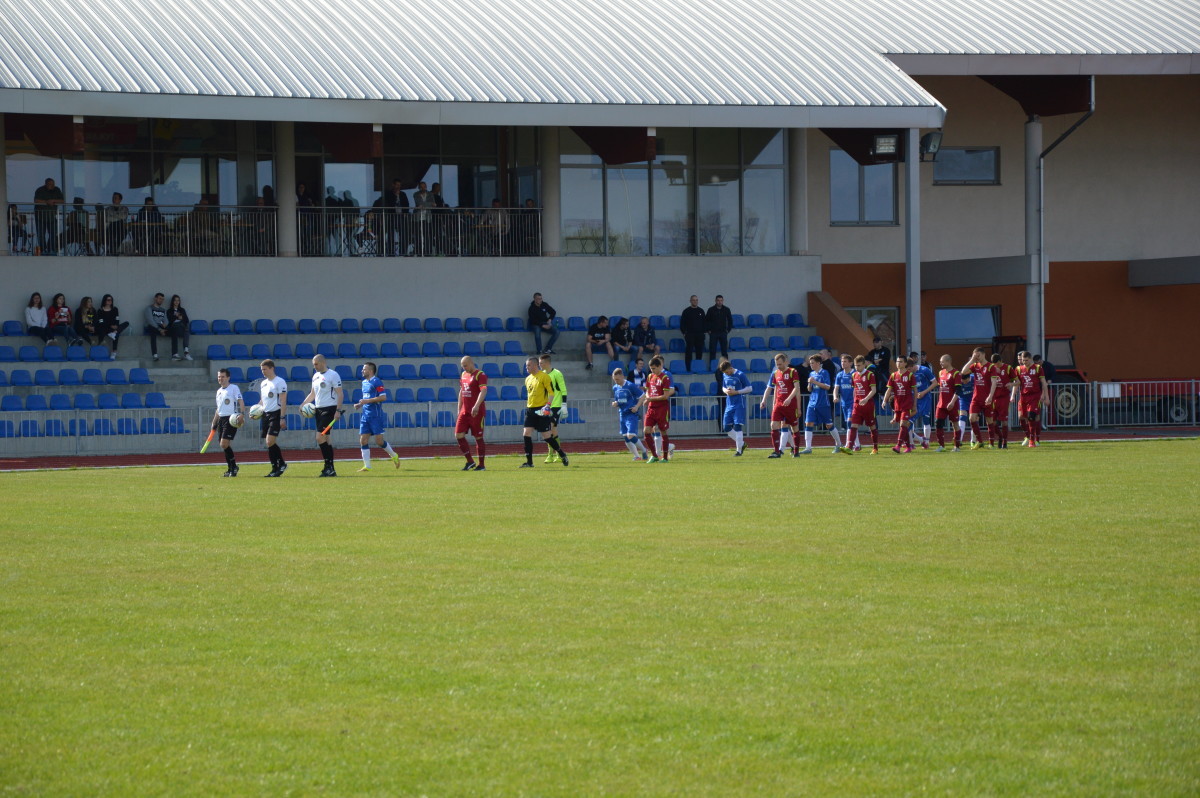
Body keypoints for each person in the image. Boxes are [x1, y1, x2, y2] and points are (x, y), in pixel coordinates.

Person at [520, 356, 568, 467]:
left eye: (529, 365)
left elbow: (551, 392)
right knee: (526, 433)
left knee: (546, 436)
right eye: (526, 366)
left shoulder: (545, 377)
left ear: (535, 365)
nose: (527, 367)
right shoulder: (527, 379)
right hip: (530, 410)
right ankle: (529, 462)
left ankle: (561, 454)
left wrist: (548, 405)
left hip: (541, 409)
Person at [301, 353, 345, 477]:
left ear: (323, 362)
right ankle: (330, 469)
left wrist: (338, 410)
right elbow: (313, 393)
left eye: (316, 364)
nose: (314, 366)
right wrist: (303, 404)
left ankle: (328, 466)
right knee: (326, 439)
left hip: (329, 409)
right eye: (313, 364)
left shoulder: (333, 375)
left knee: (319, 437)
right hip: (318, 410)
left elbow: (340, 394)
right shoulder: (315, 376)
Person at [354, 361, 400, 471]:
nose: (362, 371)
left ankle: (394, 455)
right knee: (363, 440)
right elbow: (367, 398)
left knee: (379, 441)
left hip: (375, 416)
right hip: (365, 415)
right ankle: (367, 466)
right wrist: (360, 404)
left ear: (370, 371)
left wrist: (367, 401)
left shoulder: (377, 382)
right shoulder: (364, 382)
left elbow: (383, 397)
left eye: (364, 369)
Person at [804, 354, 848, 454]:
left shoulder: (824, 373)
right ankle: (808, 448)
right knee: (808, 423)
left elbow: (827, 387)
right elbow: (809, 389)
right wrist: (809, 384)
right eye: (810, 363)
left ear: (818, 363)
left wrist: (815, 382)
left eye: (812, 363)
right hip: (812, 402)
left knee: (828, 425)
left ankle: (839, 444)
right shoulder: (811, 374)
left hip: (823, 403)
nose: (811, 365)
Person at [760, 352, 801, 458]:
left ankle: (796, 451)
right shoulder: (775, 373)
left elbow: (796, 388)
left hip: (790, 405)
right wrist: (764, 400)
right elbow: (770, 388)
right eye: (777, 364)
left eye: (780, 364)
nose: (778, 366)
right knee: (773, 425)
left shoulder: (793, 371)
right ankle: (776, 451)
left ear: (785, 362)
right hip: (779, 404)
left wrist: (789, 398)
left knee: (794, 427)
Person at [455, 355, 489, 471]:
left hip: (476, 412)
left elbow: (483, 390)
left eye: (465, 365)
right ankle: (470, 461)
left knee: (478, 437)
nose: (464, 368)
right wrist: (459, 408)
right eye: (462, 366)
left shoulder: (480, 375)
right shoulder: (464, 375)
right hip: (465, 411)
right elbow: (462, 391)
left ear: (471, 363)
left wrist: (476, 405)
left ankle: (481, 465)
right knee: (458, 435)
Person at [211, 367, 246, 477]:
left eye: (223, 377)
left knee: (224, 443)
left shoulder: (233, 388)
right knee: (224, 445)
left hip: (231, 419)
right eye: (219, 377)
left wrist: (242, 414)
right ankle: (231, 468)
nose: (220, 379)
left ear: (228, 377)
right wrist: (214, 422)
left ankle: (234, 467)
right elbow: (218, 409)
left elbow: (240, 401)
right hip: (221, 419)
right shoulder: (219, 391)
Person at [961, 347, 998, 449]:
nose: (977, 357)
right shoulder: (975, 366)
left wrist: (990, 396)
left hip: (987, 398)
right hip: (976, 398)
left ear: (983, 354)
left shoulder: (991, 367)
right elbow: (963, 372)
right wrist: (972, 360)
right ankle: (980, 441)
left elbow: (994, 382)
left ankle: (991, 443)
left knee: (989, 420)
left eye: (978, 355)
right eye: (975, 355)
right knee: (972, 418)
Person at [641, 355, 675, 463]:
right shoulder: (650, 377)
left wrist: (651, 398)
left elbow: (665, 396)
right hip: (651, 408)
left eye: (654, 368)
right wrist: (648, 397)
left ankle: (665, 457)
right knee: (646, 431)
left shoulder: (665, 378)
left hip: (662, 408)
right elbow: (647, 390)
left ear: (660, 366)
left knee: (663, 431)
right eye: (651, 368)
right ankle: (655, 455)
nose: (652, 370)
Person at [883, 355, 920, 453]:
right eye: (897, 361)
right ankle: (908, 447)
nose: (898, 363)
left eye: (901, 361)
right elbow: (889, 390)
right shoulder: (893, 375)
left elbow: (915, 391)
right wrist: (884, 400)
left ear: (905, 363)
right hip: (897, 405)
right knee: (903, 426)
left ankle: (898, 446)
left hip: (907, 404)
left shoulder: (910, 375)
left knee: (903, 424)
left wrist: (914, 405)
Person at [258, 359, 288, 477]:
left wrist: (282, 417)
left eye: (265, 369)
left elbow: (283, 400)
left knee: (269, 441)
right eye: (262, 370)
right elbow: (262, 400)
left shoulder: (279, 382)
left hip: (276, 413)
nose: (263, 372)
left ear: (272, 368)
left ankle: (278, 465)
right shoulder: (263, 383)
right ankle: (277, 466)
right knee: (269, 443)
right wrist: (256, 410)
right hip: (266, 414)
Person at [611, 367, 648, 460]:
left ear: (622, 376)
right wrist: (615, 403)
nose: (616, 381)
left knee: (630, 435)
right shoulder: (615, 387)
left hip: (631, 413)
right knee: (626, 437)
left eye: (617, 379)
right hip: (622, 414)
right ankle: (636, 456)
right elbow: (619, 400)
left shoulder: (630, 385)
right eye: (614, 380)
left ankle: (644, 450)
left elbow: (643, 395)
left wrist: (637, 406)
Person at [1013, 350, 1049, 447]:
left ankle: (1033, 440)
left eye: (1026, 360)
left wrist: (1046, 397)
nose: (1024, 362)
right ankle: (1028, 436)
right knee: (1021, 417)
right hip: (1023, 396)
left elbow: (1043, 382)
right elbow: (1017, 383)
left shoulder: (1038, 368)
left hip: (1035, 396)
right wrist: (1012, 395)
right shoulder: (1019, 369)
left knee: (1032, 416)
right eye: (1023, 360)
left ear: (1031, 359)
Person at [846, 355, 880, 454]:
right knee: (853, 425)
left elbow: (874, 390)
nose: (857, 367)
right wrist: (854, 401)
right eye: (855, 365)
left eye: (859, 365)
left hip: (868, 405)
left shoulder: (870, 374)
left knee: (872, 426)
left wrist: (866, 399)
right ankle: (849, 447)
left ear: (864, 364)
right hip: (857, 405)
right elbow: (855, 389)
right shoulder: (854, 375)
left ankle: (875, 448)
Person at [718, 358, 752, 456]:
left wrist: (737, 392)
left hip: (739, 403)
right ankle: (742, 444)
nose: (727, 374)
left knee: (737, 426)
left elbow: (749, 388)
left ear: (731, 368)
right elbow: (723, 387)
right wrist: (726, 391)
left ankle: (739, 450)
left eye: (727, 372)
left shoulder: (740, 375)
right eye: (725, 373)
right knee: (726, 427)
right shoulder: (725, 375)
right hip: (729, 403)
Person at [540, 353, 567, 462]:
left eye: (541, 363)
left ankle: (552, 454)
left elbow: (563, 390)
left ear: (547, 363)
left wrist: (564, 405)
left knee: (550, 429)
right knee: (552, 430)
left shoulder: (557, 374)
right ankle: (555, 455)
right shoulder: (542, 374)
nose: (540, 365)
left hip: (555, 406)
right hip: (546, 406)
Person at [934, 355, 964, 452]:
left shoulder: (956, 373)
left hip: (952, 404)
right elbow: (941, 387)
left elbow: (958, 390)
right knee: (938, 423)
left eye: (942, 362)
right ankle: (941, 446)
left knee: (955, 424)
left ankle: (957, 446)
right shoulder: (941, 372)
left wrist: (952, 402)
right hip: (941, 404)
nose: (940, 363)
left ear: (948, 362)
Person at [990, 353, 1016, 449]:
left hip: (1004, 398)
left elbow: (1018, 381)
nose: (995, 366)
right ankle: (1000, 437)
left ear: (1000, 361)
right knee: (992, 422)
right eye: (994, 364)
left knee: (1004, 421)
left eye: (997, 364)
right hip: (994, 398)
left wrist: (1011, 384)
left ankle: (1005, 442)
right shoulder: (991, 368)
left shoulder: (1008, 368)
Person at [33, 177, 64, 255]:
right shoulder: (40, 190)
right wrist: (46, 202)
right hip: (40, 217)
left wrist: (53, 200)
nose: (52, 186)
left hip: (52, 217)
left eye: (53, 184)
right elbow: (36, 200)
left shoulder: (57, 190)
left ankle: (51, 249)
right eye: (50, 184)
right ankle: (43, 250)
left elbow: (62, 201)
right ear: (46, 184)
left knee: (53, 234)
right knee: (41, 235)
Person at [95, 294, 130, 359]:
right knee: (116, 334)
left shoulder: (115, 309)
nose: (110, 301)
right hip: (105, 328)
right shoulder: (100, 310)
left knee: (126, 323)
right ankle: (114, 351)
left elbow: (117, 319)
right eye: (108, 300)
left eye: (111, 300)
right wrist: (111, 326)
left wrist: (116, 325)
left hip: (114, 328)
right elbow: (101, 322)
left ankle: (114, 332)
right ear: (104, 301)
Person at [912, 350, 936, 446]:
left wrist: (924, 392)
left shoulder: (925, 370)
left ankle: (927, 441)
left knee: (926, 420)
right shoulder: (908, 373)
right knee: (910, 420)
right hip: (914, 399)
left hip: (925, 398)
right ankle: (912, 441)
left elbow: (935, 383)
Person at [679, 295, 706, 371]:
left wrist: (704, 332)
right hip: (690, 335)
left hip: (700, 335)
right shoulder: (686, 311)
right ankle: (688, 368)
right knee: (689, 352)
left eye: (696, 300)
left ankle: (698, 367)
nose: (695, 301)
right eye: (693, 300)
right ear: (690, 301)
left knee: (699, 352)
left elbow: (704, 323)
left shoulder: (701, 311)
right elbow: (682, 323)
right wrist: (684, 333)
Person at [833, 354, 856, 440]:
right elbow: (836, 388)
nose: (843, 363)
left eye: (845, 361)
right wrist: (835, 397)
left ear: (850, 363)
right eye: (842, 361)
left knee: (850, 422)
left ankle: (848, 443)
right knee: (850, 424)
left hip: (853, 402)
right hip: (844, 403)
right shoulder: (839, 375)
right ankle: (856, 443)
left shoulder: (854, 374)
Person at [705, 295, 733, 363]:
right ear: (715, 301)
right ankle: (712, 366)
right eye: (718, 300)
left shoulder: (726, 309)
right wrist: (708, 330)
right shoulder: (711, 309)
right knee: (712, 351)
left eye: (721, 300)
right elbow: (706, 320)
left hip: (723, 333)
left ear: (723, 301)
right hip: (713, 333)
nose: (719, 302)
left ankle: (725, 366)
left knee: (724, 351)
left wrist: (728, 330)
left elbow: (730, 320)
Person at [867, 336, 891, 412]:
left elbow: (885, 361)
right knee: (875, 389)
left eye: (877, 342)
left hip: (883, 372)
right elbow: (869, 361)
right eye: (874, 342)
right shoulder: (871, 352)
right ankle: (877, 410)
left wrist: (878, 361)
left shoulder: (886, 350)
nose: (875, 344)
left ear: (881, 342)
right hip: (874, 373)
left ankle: (886, 410)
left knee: (885, 388)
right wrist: (877, 361)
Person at [144, 293, 169, 361]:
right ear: (155, 298)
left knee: (174, 330)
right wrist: (160, 329)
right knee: (153, 330)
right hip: (151, 326)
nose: (161, 300)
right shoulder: (149, 308)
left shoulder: (163, 310)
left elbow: (166, 320)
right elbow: (150, 321)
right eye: (160, 298)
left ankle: (175, 354)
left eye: (163, 299)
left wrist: (165, 324)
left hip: (160, 326)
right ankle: (155, 355)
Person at [167, 295, 193, 361]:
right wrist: (177, 317)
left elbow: (186, 320)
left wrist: (181, 318)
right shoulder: (169, 311)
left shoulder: (182, 310)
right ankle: (184, 352)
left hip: (181, 328)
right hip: (173, 327)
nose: (177, 302)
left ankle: (186, 352)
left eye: (178, 300)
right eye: (175, 300)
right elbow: (169, 321)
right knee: (185, 328)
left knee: (186, 329)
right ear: (172, 301)